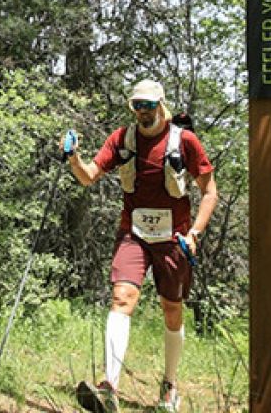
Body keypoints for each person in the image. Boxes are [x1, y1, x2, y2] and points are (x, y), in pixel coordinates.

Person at [62, 79, 218, 413]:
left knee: (172, 310)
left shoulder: (184, 141)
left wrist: (195, 233)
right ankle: (109, 387)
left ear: (162, 104)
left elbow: (210, 192)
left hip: (174, 238)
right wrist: (74, 158)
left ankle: (170, 386)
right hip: (133, 232)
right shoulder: (122, 139)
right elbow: (89, 175)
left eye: (149, 105)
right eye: (137, 105)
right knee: (122, 297)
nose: (143, 111)